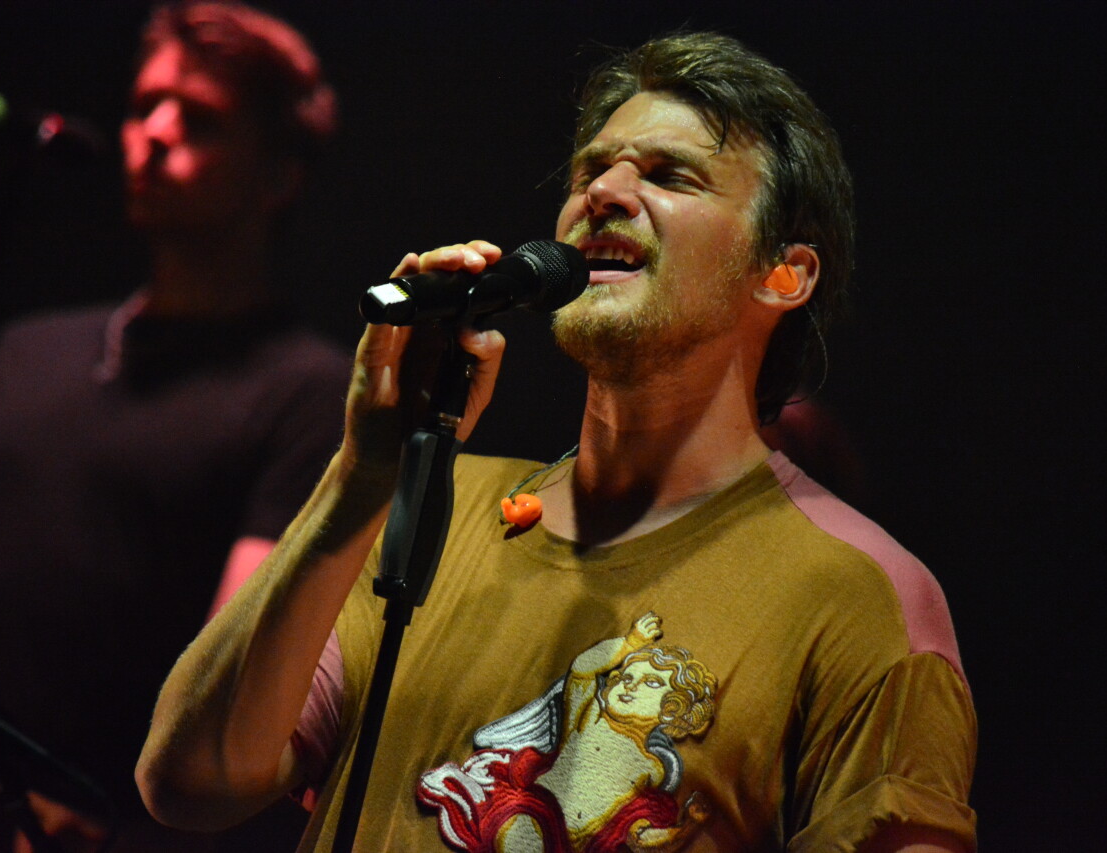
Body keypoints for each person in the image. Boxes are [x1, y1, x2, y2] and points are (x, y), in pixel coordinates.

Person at [135, 32, 977, 852]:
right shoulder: (431, 507)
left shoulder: (859, 596)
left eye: (668, 175)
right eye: (589, 171)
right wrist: (365, 471)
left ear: (783, 273)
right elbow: (189, 780)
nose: (602, 192)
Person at [0, 3, 350, 850]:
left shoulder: (307, 392)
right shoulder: (27, 349)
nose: (153, 133)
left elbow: (238, 682)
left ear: (278, 175)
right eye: (143, 106)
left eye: (200, 118)